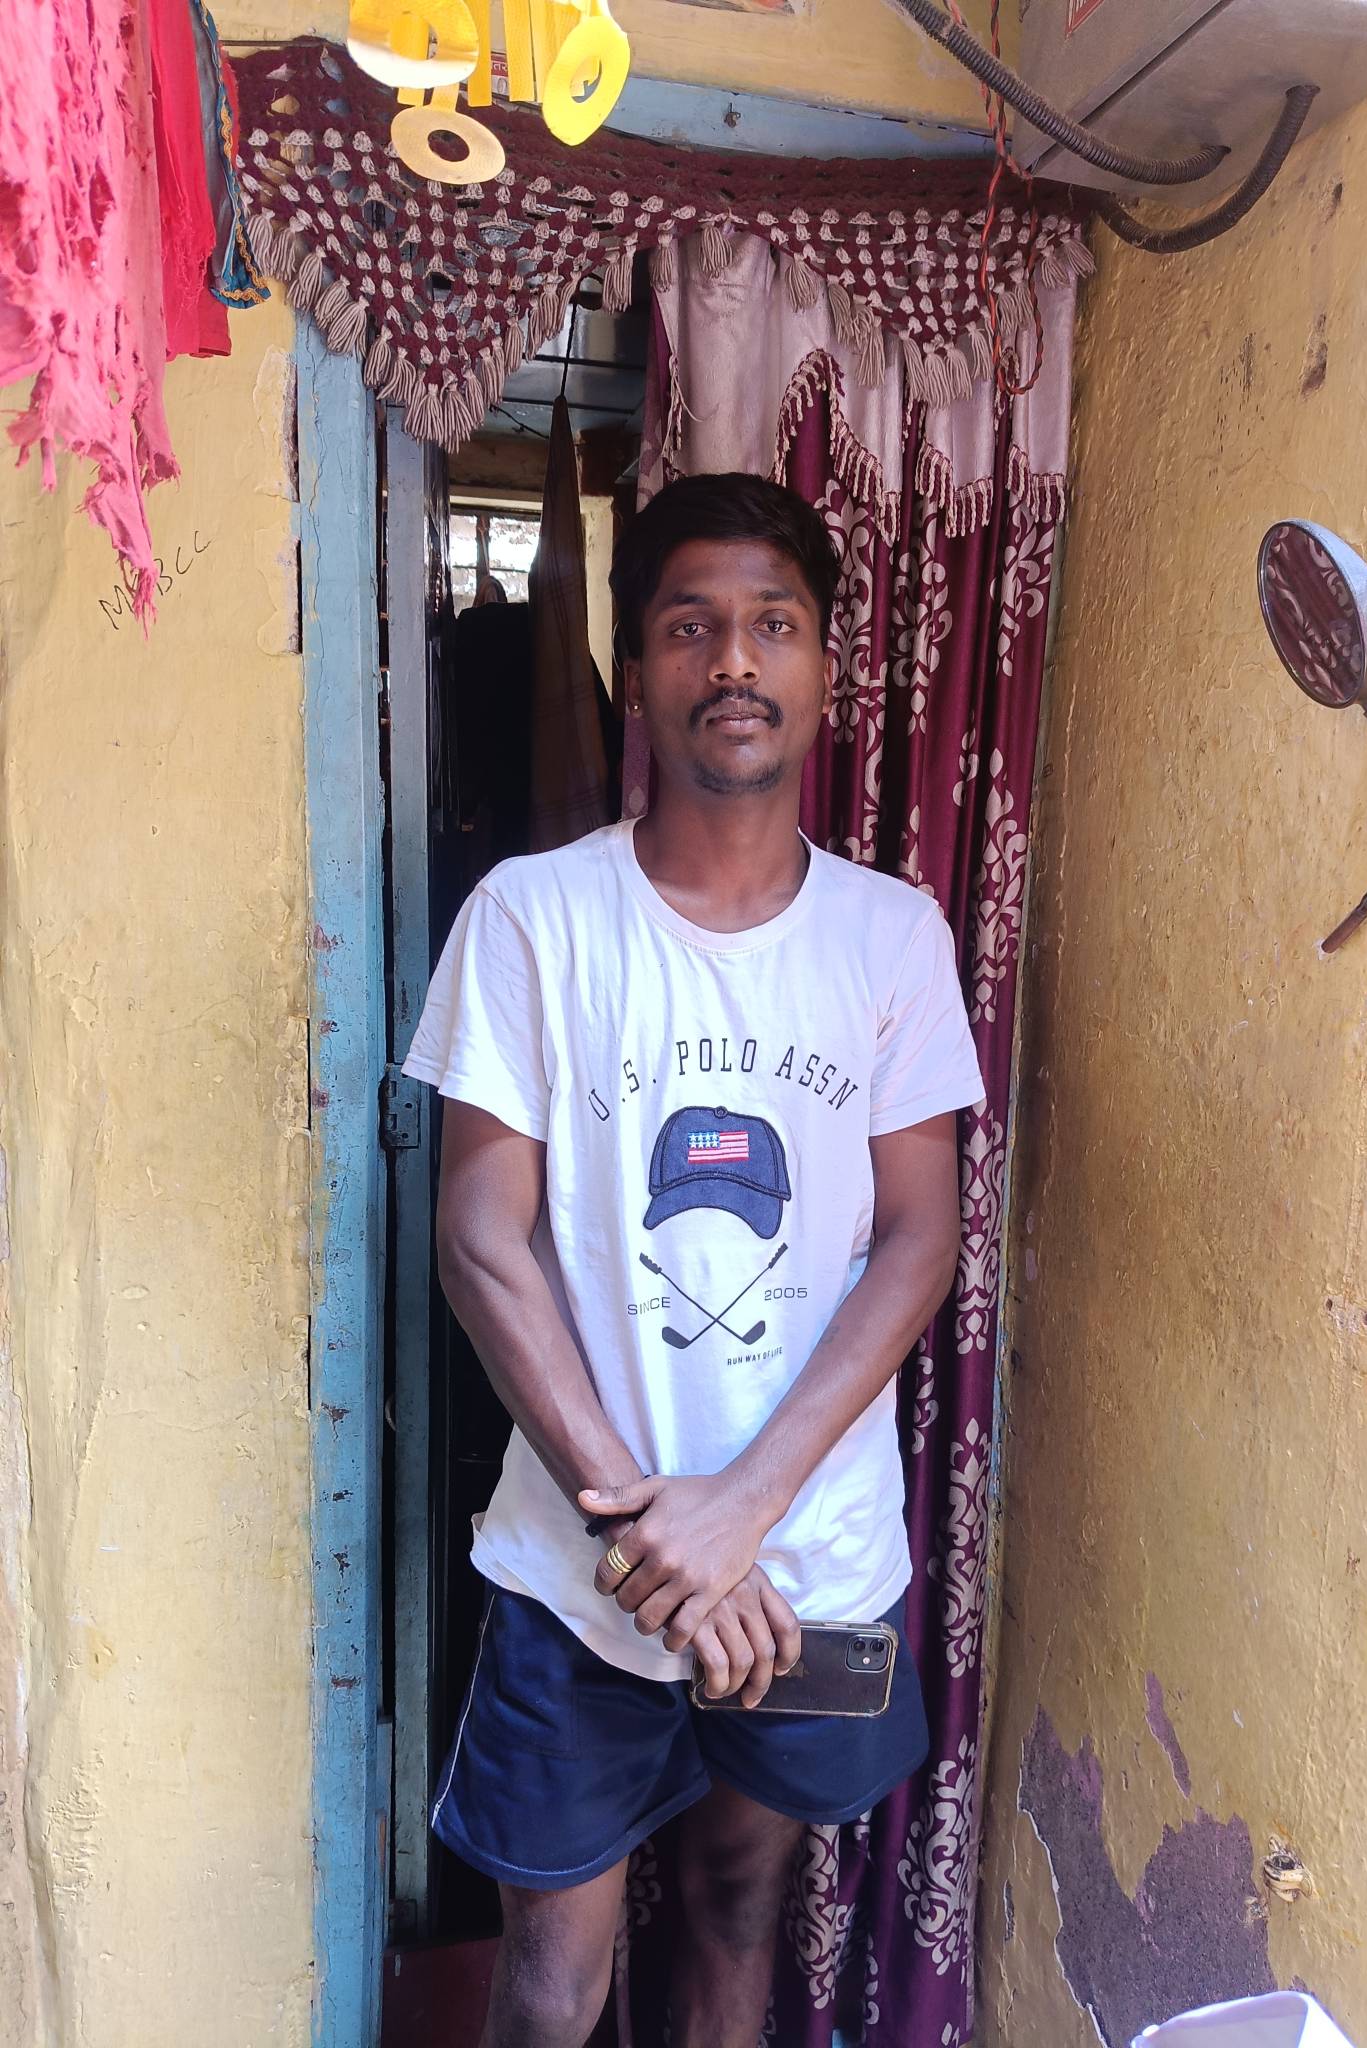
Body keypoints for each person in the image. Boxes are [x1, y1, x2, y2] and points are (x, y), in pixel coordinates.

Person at [402, 472, 985, 2048]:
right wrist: (653, 1536)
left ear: (827, 669)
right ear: (637, 666)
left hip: (808, 1570)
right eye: (691, 626)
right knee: (550, 1982)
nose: (734, 660)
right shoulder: (535, 920)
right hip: (584, 1575)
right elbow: (480, 1240)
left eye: (772, 626)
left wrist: (739, 1513)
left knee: (736, 1914)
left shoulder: (891, 937)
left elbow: (918, 1237)